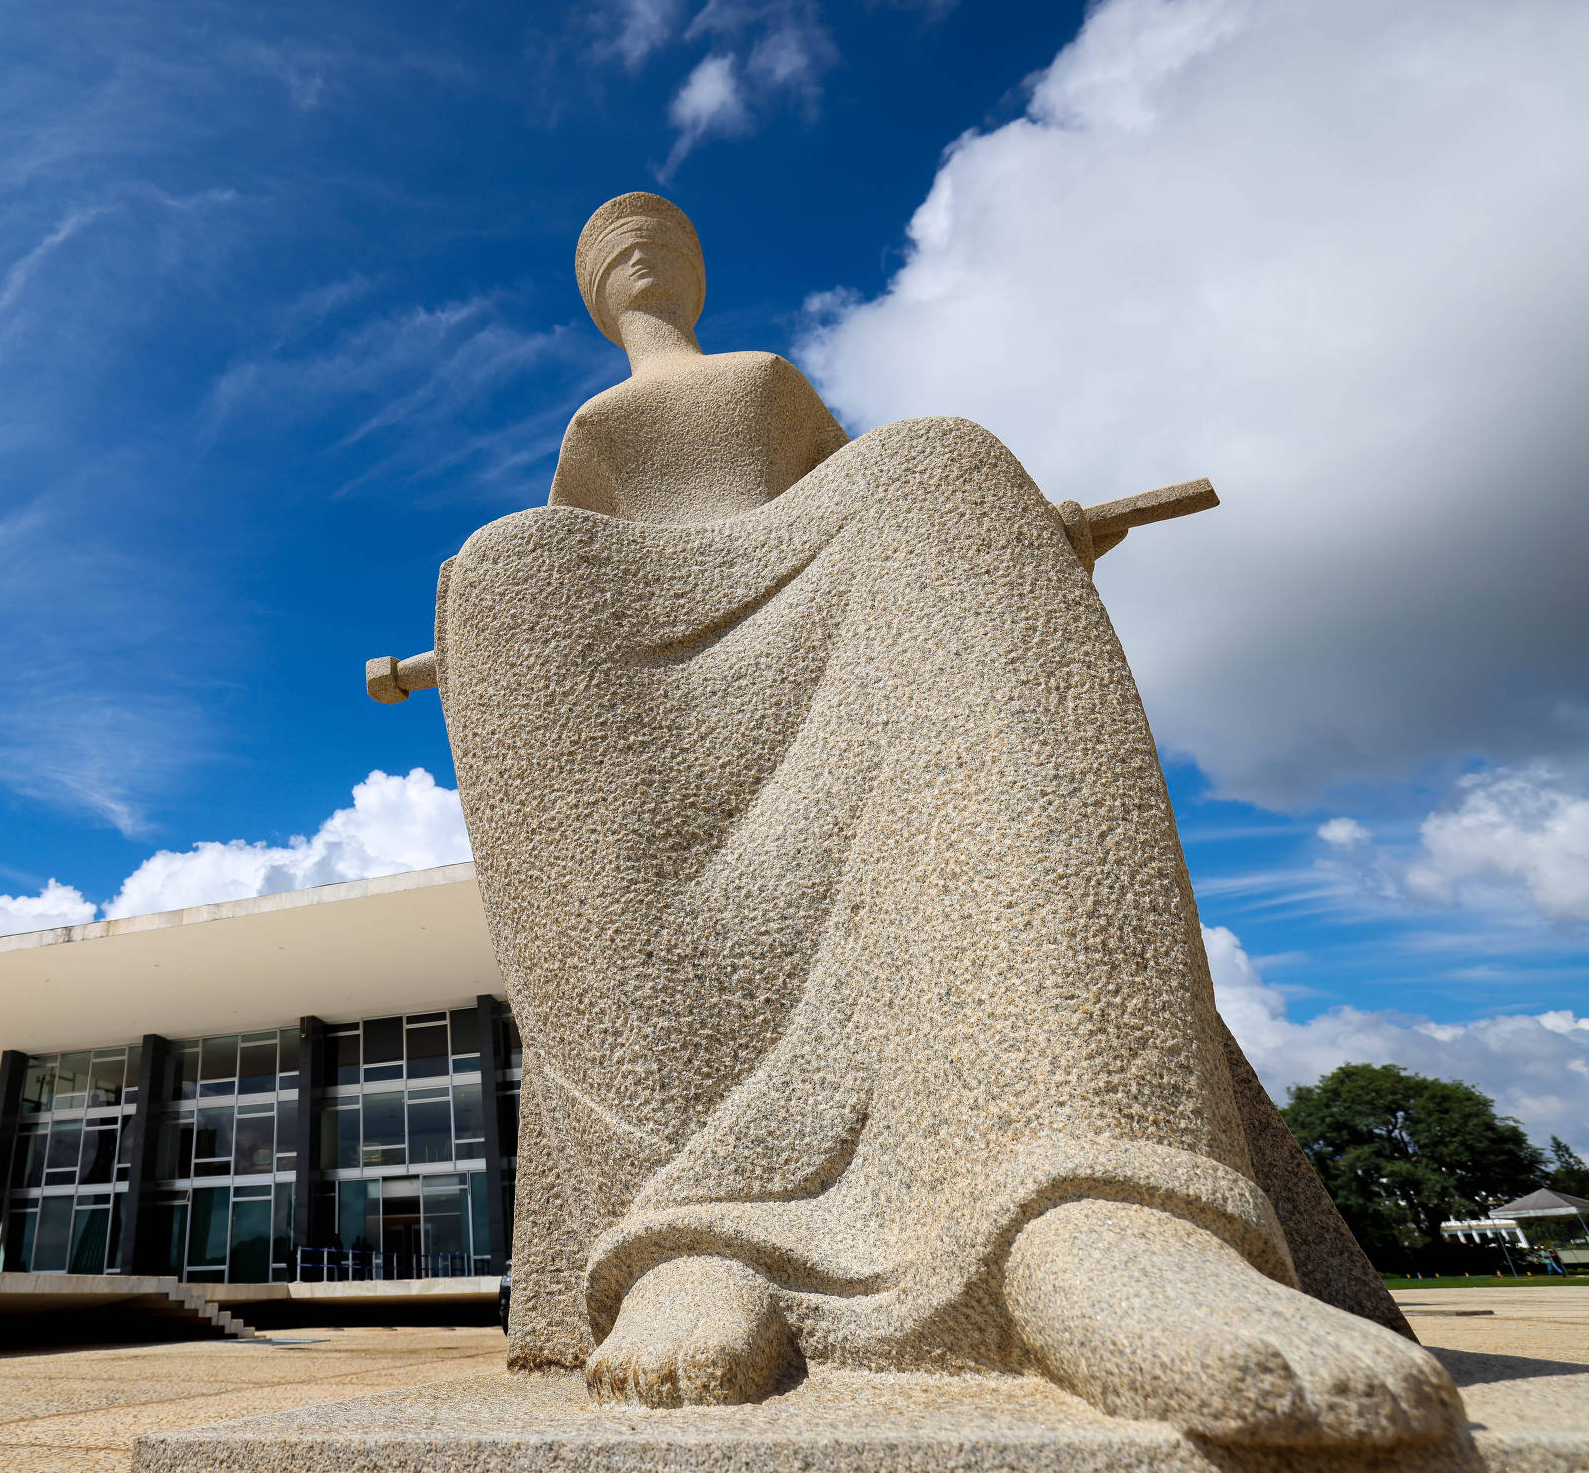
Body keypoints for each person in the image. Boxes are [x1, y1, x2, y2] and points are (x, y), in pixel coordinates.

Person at [428, 192, 1457, 1447]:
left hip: (821, 559)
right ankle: (691, 1235)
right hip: (641, 624)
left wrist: (1025, 532)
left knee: (939, 459)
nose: (636, 256)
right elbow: (590, 541)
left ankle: (1094, 1207)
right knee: (504, 570)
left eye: (659, 242)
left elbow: (826, 479)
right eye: (609, 254)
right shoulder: (593, 429)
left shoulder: (768, 380)